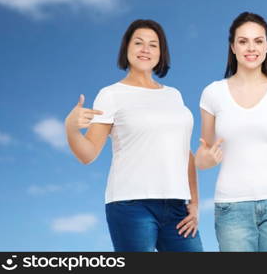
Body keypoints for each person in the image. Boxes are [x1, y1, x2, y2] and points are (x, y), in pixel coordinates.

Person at [64, 19, 202, 252]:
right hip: (130, 205)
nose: (145, 49)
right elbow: (87, 154)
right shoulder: (111, 95)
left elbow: (184, 153)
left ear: (161, 53)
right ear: (126, 48)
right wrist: (70, 127)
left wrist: (195, 203)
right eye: (138, 42)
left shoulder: (174, 95)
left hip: (177, 206)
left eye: (153, 44)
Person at [196, 12, 267, 252]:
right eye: (243, 41)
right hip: (231, 208)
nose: (251, 47)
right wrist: (205, 159)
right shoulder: (213, 93)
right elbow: (203, 155)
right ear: (233, 47)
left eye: (258, 41)